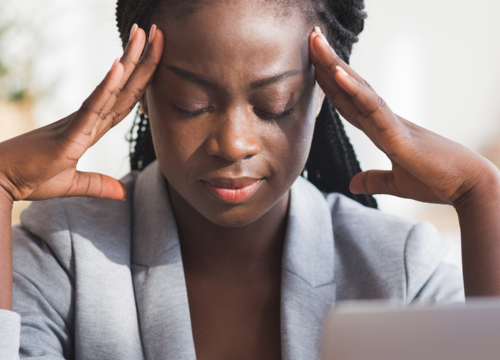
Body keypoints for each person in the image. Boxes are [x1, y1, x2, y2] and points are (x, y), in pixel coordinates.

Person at [0, 0, 499, 359]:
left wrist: (482, 194)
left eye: (273, 105)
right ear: (142, 91)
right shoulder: (62, 254)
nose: (233, 143)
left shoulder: (401, 267)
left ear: (325, 92)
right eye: (190, 104)